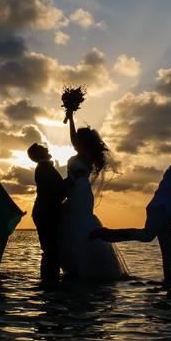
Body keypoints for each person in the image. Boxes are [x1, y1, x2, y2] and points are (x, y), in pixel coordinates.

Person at [92, 145, 171, 282]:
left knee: (169, 249)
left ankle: (169, 280)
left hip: (163, 214)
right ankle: (106, 234)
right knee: (147, 235)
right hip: (160, 210)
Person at [58, 110, 128, 280]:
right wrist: (71, 117)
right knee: (75, 223)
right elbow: (73, 138)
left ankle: (83, 268)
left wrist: (68, 183)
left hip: (79, 189)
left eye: (78, 140)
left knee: (79, 223)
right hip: (77, 190)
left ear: (83, 142)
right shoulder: (81, 153)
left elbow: (78, 174)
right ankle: (76, 267)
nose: (74, 142)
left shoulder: (85, 155)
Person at [28, 143, 72, 284]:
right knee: (50, 249)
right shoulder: (44, 168)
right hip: (46, 213)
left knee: (51, 248)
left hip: (46, 212)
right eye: (43, 148)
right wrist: (72, 180)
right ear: (39, 154)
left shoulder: (45, 167)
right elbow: (57, 189)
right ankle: (48, 282)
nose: (47, 149)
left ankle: (49, 281)